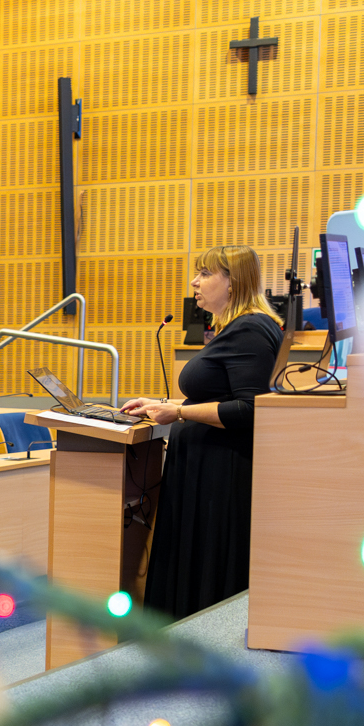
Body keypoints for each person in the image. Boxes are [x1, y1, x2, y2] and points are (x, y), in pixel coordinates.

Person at [120, 246, 284, 619]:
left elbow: (250, 409)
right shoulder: (242, 326)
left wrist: (177, 411)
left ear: (233, 282)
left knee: (209, 570)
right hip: (208, 468)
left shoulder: (249, 329)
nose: (195, 281)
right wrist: (162, 404)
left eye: (205, 273)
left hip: (220, 475)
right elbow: (221, 394)